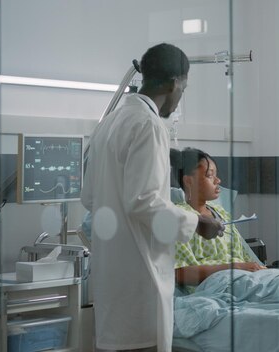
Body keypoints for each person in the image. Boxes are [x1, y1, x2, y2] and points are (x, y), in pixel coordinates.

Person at [81, 43, 224, 352]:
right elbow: (144, 202)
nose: (179, 97)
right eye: (183, 89)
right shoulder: (149, 125)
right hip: (139, 281)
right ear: (175, 82)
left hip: (111, 281)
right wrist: (197, 221)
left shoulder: (107, 125)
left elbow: (89, 197)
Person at [170, 147, 266, 290]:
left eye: (216, 175)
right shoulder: (181, 218)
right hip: (219, 288)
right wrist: (236, 268)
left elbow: (246, 258)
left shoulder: (221, 213)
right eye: (210, 175)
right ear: (189, 181)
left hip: (246, 279)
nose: (218, 180)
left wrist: (263, 270)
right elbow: (180, 273)